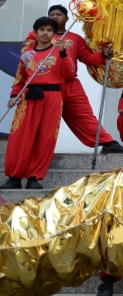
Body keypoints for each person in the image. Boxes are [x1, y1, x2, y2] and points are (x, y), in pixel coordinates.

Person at [22, 4, 123, 154]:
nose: (54, 17)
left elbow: (87, 58)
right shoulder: (35, 36)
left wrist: (103, 54)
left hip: (70, 84)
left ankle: (107, 143)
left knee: (85, 116)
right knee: (42, 122)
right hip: (46, 86)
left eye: (58, 14)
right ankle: (31, 151)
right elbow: (26, 59)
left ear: (67, 19)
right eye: (51, 14)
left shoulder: (76, 39)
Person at [0, 17, 75, 189]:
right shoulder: (27, 55)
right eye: (42, 29)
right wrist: (14, 95)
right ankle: (14, 177)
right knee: (20, 137)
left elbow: (69, 74)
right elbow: (20, 80)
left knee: (46, 138)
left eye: (49, 30)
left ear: (54, 34)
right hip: (29, 97)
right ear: (35, 32)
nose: (45, 33)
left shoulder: (60, 52)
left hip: (53, 98)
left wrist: (63, 53)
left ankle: (34, 178)